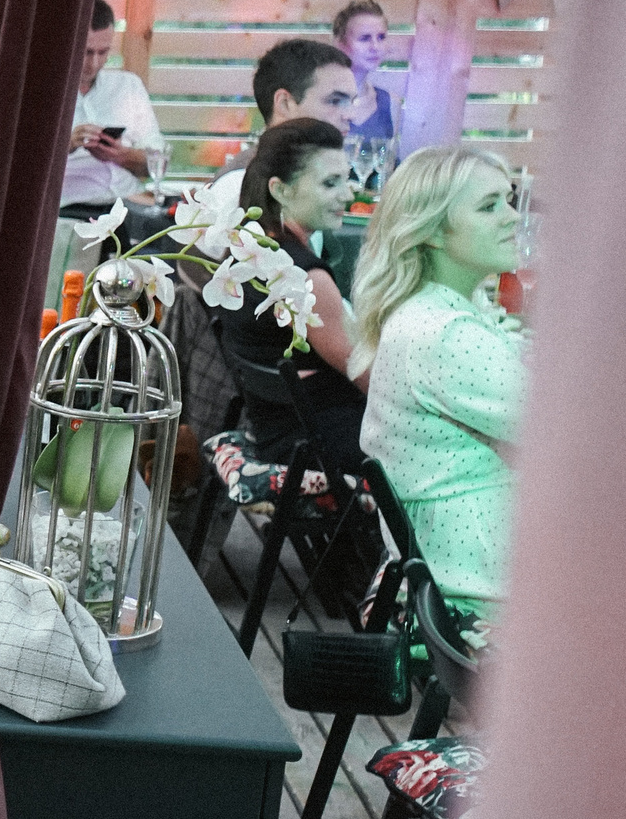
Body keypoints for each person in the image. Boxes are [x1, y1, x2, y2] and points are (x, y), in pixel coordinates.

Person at [353, 144, 525, 615]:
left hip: (453, 569)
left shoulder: (432, 312)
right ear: (430, 231)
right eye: (489, 206)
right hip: (482, 592)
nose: (512, 217)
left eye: (509, 200)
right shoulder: (447, 335)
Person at [218, 117, 366, 473]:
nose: (348, 194)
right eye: (331, 183)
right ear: (281, 191)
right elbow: (369, 375)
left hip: (278, 433)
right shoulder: (305, 278)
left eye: (346, 180)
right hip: (320, 447)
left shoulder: (244, 252)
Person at [198, 38, 357, 218]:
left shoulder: (309, 182)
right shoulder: (236, 189)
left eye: (352, 102)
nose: (351, 115)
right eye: (335, 101)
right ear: (284, 104)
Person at [63, 0, 161, 208]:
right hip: (69, 207)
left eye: (103, 52)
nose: (94, 63)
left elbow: (158, 161)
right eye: (87, 52)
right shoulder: (41, 94)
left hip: (128, 203)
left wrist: (122, 156)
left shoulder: (128, 86)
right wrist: (67, 146)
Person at [331, 0, 401, 144]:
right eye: (364, 38)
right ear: (339, 43)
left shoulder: (390, 103)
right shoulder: (318, 100)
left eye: (381, 37)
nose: (375, 46)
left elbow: (389, 162)